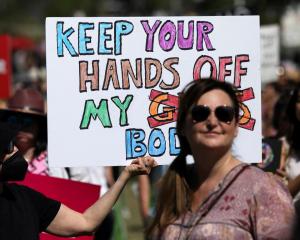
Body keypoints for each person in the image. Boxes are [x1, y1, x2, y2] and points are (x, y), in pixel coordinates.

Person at [147, 78, 295, 239]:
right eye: (200, 113)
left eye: (224, 114)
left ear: (236, 127)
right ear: (182, 125)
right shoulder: (172, 186)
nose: (212, 121)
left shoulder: (264, 188)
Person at [0, 121, 157, 239]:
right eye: (8, 147)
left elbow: (87, 222)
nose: (15, 150)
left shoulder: (25, 199)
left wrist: (124, 177)